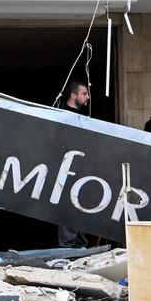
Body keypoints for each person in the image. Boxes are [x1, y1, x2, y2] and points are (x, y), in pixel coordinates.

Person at [54, 78, 92, 247]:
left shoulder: (85, 116)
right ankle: (67, 248)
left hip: (82, 169)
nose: (88, 97)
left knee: (82, 207)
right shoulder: (60, 114)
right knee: (67, 209)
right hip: (65, 168)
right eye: (84, 94)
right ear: (73, 95)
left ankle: (80, 246)